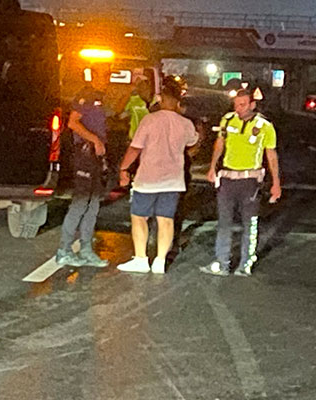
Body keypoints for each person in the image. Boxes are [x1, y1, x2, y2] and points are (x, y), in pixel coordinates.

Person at [116, 77, 198, 274]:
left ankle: (141, 259)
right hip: (173, 180)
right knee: (166, 220)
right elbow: (193, 143)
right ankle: (160, 261)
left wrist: (123, 169)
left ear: (161, 99)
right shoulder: (185, 123)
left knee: (139, 218)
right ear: (178, 102)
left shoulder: (149, 120)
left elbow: (135, 148)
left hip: (147, 179)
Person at [203, 87, 281, 277]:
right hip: (227, 179)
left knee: (249, 224)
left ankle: (246, 263)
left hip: (250, 181)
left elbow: (271, 154)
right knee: (224, 223)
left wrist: (276, 182)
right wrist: (212, 167)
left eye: (243, 105)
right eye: (236, 105)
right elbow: (220, 143)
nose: (238, 109)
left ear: (252, 105)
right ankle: (222, 262)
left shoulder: (264, 126)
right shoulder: (228, 120)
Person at [55, 69, 110, 268]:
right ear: (94, 76)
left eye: (108, 75)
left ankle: (86, 249)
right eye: (103, 75)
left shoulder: (101, 98)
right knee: (80, 202)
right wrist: (94, 140)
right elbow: (72, 122)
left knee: (93, 204)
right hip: (84, 155)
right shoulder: (85, 95)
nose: (106, 79)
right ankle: (64, 250)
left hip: (96, 157)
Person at [119, 77, 152, 142]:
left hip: (144, 135)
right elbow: (123, 114)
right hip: (139, 135)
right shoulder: (133, 100)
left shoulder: (156, 101)